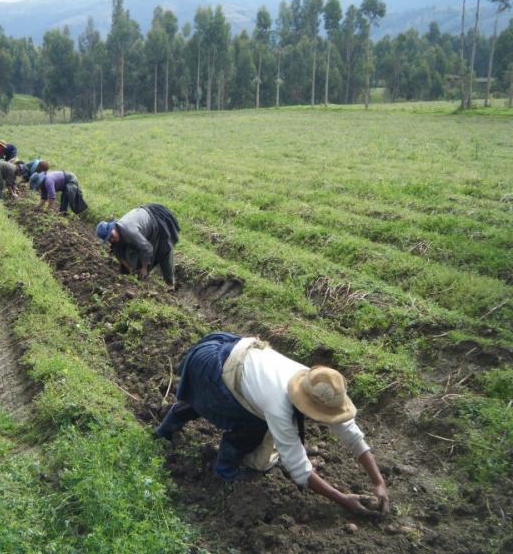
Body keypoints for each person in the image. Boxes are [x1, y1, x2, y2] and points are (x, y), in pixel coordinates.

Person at [155, 332, 390, 517]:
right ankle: (225, 468)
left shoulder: (315, 382)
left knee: (226, 399)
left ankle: (167, 427)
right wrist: (342, 499)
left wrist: (378, 482)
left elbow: (350, 433)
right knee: (254, 422)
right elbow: (298, 467)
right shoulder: (280, 404)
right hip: (212, 362)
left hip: (234, 357)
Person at [96, 204, 179, 289]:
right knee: (129, 252)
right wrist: (128, 268)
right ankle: (137, 274)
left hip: (157, 220)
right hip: (143, 226)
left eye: (111, 236)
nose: (112, 240)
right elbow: (118, 252)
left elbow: (147, 248)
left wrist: (144, 268)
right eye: (109, 239)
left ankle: (170, 284)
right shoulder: (116, 234)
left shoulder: (129, 231)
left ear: (114, 227)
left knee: (164, 251)